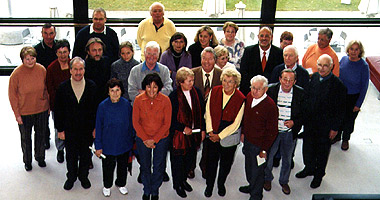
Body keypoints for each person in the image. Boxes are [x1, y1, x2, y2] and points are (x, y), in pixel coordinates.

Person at [296, 54, 346, 189]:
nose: (322, 68)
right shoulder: (314, 79)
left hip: (325, 126)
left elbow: (341, 110)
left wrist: (335, 128)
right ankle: (309, 168)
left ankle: (318, 174)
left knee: (322, 151)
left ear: (331, 67)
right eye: (319, 65)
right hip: (310, 123)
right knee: (308, 148)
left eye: (325, 66)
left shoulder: (338, 86)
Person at [54, 57, 97, 190]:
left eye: (81, 69)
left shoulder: (92, 86)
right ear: (70, 70)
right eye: (75, 69)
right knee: (71, 155)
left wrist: (95, 128)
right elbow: (58, 111)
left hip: (87, 129)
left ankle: (83, 176)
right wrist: (60, 130)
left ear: (84, 70)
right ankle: (71, 176)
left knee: (85, 155)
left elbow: (96, 110)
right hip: (69, 129)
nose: (78, 72)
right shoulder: (62, 88)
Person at [204, 68, 245, 198]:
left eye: (231, 82)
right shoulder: (214, 91)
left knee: (225, 164)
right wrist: (210, 131)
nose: (227, 84)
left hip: (228, 135)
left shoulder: (241, 98)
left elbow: (236, 124)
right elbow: (208, 112)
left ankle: (221, 184)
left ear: (236, 84)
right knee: (211, 163)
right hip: (212, 131)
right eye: (225, 81)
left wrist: (220, 136)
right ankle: (209, 185)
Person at [264, 69, 306, 195]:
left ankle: (283, 181)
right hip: (273, 131)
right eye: (285, 79)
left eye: (290, 80)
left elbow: (305, 113)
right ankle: (267, 178)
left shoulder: (301, 93)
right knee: (269, 157)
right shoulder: (271, 90)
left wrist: (294, 122)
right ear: (280, 79)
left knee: (287, 159)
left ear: (295, 81)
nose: (287, 83)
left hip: (289, 132)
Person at [8, 46, 49, 171]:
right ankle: (27, 160)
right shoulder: (16, 74)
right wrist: (17, 114)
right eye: (27, 59)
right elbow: (12, 96)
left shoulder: (42, 70)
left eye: (33, 58)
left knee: (41, 135)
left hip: (41, 109)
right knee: (26, 138)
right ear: (22, 60)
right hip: (24, 111)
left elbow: (47, 89)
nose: (30, 61)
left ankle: (40, 157)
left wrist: (48, 105)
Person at [132, 73, 172, 200]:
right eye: (149, 87)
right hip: (143, 138)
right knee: (145, 165)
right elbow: (135, 122)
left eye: (155, 87)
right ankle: (146, 189)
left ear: (159, 88)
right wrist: (145, 139)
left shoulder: (166, 100)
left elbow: (167, 124)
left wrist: (154, 139)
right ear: (145, 87)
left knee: (158, 165)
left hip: (161, 138)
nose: (152, 90)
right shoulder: (138, 99)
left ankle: (154, 190)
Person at [239, 75, 278, 200]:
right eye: (253, 88)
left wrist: (264, 150)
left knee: (258, 172)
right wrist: (243, 133)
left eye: (259, 89)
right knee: (249, 167)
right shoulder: (249, 97)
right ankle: (251, 186)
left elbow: (272, 132)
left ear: (265, 89)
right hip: (248, 141)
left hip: (260, 145)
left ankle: (256, 195)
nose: (255, 91)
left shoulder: (270, 106)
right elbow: (246, 118)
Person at [168, 67, 205, 198]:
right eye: (188, 81)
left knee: (189, 160)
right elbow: (170, 118)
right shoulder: (173, 97)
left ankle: (183, 180)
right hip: (179, 136)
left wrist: (202, 129)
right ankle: (177, 184)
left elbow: (202, 113)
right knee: (178, 162)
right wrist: (183, 128)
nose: (192, 83)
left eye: (192, 80)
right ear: (180, 82)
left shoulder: (197, 92)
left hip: (194, 134)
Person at [95, 78, 134, 197]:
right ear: (108, 92)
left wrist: (131, 141)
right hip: (108, 144)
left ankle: (121, 183)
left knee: (123, 166)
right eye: (112, 90)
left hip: (124, 143)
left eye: (118, 90)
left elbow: (131, 124)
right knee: (108, 167)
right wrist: (98, 146)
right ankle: (107, 185)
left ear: (121, 91)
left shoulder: (127, 105)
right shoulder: (102, 106)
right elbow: (98, 126)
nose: (115, 93)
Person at [192, 47, 222, 178]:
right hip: (195, 115)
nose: (207, 62)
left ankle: (204, 165)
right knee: (193, 143)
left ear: (215, 60)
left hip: (213, 116)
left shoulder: (222, 75)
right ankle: (190, 167)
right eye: (204, 58)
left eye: (210, 59)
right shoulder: (192, 73)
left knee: (209, 144)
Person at [335, 40, 369, 150]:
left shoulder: (363, 66)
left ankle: (345, 139)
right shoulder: (344, 59)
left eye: (356, 49)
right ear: (348, 50)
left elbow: (364, 86)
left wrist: (358, 104)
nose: (353, 52)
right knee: (339, 116)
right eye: (351, 49)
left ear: (360, 51)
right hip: (341, 95)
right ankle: (337, 136)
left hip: (353, 96)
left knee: (349, 120)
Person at [46, 39, 71, 163]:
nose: (63, 55)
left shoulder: (74, 65)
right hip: (58, 105)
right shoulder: (51, 68)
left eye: (65, 52)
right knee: (59, 128)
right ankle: (61, 150)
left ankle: (72, 149)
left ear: (69, 52)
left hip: (73, 104)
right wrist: (54, 105)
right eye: (60, 52)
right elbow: (50, 89)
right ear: (56, 53)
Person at [240, 26, 284, 95]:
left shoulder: (279, 53)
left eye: (267, 36)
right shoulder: (249, 51)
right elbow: (243, 72)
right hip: (252, 92)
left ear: (271, 37)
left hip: (271, 93)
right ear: (258, 37)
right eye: (262, 36)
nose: (264, 38)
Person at [34, 23, 57, 150]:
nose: (48, 37)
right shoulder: (37, 50)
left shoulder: (59, 47)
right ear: (42, 34)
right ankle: (46, 137)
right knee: (43, 115)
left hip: (56, 85)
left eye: (51, 33)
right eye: (46, 33)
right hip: (42, 85)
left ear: (55, 34)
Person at [84, 37, 111, 106]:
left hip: (106, 99)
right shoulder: (84, 65)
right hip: (89, 101)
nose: (97, 53)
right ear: (88, 51)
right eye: (94, 50)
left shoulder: (107, 62)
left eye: (100, 50)